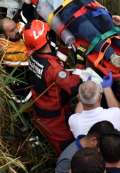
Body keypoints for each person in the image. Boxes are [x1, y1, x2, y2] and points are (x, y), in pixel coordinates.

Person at [24, 19, 84, 154]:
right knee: (68, 149)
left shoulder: (35, 56)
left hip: (42, 112)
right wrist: (80, 62)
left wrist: (63, 45)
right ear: (46, 37)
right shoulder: (52, 67)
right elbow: (73, 86)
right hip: (55, 120)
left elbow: (57, 66)